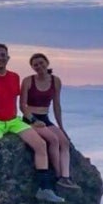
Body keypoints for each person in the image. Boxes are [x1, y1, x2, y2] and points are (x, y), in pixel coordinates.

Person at [0, 43, 64, 203]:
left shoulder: (14, 77)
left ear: (8, 58)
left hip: (14, 120)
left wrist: (32, 120)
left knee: (41, 144)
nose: (0, 58)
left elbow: (21, 102)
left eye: (3, 55)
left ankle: (44, 188)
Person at [21, 53, 78, 189]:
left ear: (47, 63)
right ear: (32, 67)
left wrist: (61, 127)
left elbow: (56, 105)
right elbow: (22, 106)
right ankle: (59, 176)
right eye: (35, 65)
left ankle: (66, 176)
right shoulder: (28, 81)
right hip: (31, 118)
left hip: (45, 117)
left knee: (64, 141)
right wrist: (33, 120)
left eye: (41, 63)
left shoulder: (55, 81)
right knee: (53, 140)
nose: (39, 66)